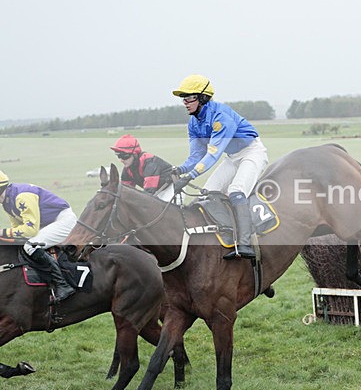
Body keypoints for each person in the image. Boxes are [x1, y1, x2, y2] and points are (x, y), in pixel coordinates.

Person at [171, 74, 269, 260]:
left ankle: (246, 244)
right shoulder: (193, 122)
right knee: (207, 192)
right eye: (183, 98)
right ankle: (226, 234)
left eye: (189, 97)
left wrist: (189, 176)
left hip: (252, 152)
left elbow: (213, 154)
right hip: (232, 157)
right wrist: (180, 170)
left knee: (236, 191)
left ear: (203, 98)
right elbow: (196, 156)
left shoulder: (221, 117)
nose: (185, 102)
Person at [0, 170, 77, 302]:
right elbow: (17, 229)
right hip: (47, 223)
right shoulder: (6, 203)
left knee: (30, 246)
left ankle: (62, 285)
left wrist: (2, 233)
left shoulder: (21, 197)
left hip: (63, 220)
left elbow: (30, 230)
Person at [110, 135, 177, 201]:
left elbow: (148, 194)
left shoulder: (149, 163)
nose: (121, 160)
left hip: (171, 187)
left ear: (135, 154)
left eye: (124, 156)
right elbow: (125, 191)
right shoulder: (127, 169)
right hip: (157, 190)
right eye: (119, 156)